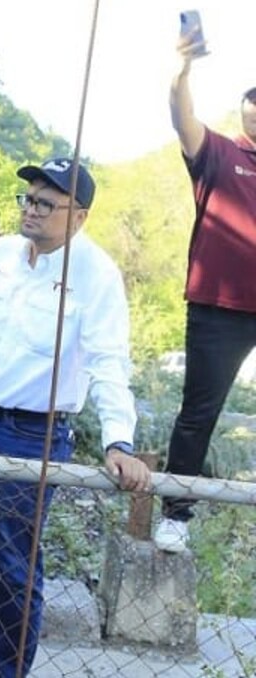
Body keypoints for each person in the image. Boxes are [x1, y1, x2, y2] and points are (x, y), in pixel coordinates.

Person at [0, 159, 152, 678]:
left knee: (14, 565)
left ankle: (6, 673)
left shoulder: (96, 275)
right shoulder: (1, 254)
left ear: (78, 217)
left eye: (45, 203)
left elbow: (108, 363)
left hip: (31, 435)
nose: (31, 210)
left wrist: (119, 441)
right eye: (28, 199)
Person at [154, 27, 256, 554]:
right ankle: (176, 512)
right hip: (220, 309)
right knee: (199, 412)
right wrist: (183, 68)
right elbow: (182, 115)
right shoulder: (219, 152)